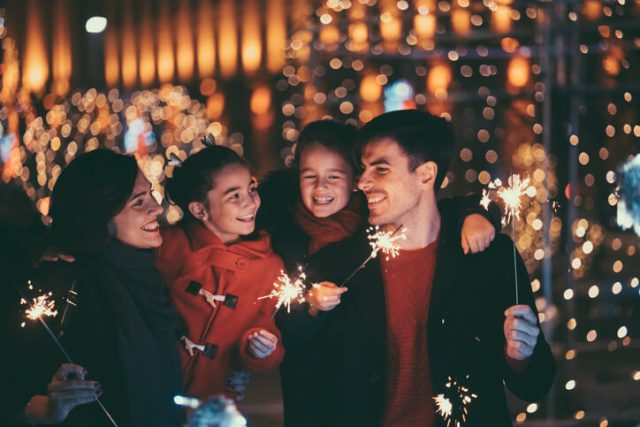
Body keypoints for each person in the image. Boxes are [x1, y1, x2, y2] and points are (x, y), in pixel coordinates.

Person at [290, 110, 556, 426]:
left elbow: (536, 384)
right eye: (362, 169)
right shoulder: (336, 264)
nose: (362, 183)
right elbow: (304, 370)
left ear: (426, 175)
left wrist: (520, 356)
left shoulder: (491, 259)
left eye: (381, 169)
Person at [257, 119, 502, 426]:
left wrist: (475, 212)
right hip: (309, 385)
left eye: (335, 175)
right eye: (310, 176)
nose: (322, 188)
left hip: (363, 391)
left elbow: (435, 208)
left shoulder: (374, 220)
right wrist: (310, 307)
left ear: (353, 179)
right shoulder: (279, 231)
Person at [16, 150, 184, 426]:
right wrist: (45, 407)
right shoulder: (63, 282)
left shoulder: (147, 273)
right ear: (99, 216)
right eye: (138, 202)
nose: (157, 208)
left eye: (151, 194)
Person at [156, 145, 285, 400]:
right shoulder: (168, 246)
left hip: (214, 403)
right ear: (199, 210)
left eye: (251, 189)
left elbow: (264, 325)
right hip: (155, 392)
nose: (250, 202)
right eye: (234, 196)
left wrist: (261, 349)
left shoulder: (271, 268)